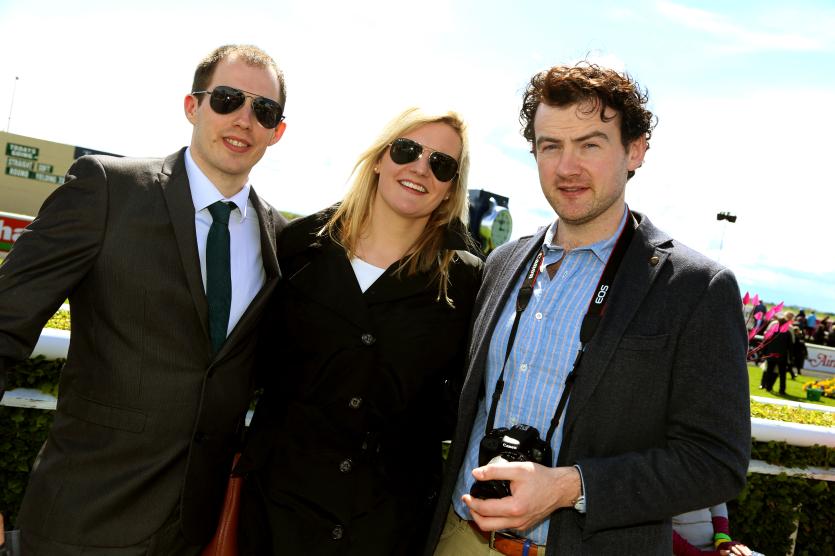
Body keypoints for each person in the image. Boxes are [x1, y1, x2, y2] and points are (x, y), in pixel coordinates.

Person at [427, 62, 750, 555]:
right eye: (550, 146)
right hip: (459, 536)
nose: (567, 167)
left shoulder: (695, 287)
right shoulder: (503, 262)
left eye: (591, 144)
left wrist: (568, 486)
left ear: (635, 150)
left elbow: (715, 462)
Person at [0, 44, 288, 555]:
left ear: (277, 131)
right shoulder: (107, 190)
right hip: (81, 518)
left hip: (193, 531)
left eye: (263, 110)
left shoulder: (280, 240)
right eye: (226, 99)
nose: (244, 119)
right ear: (192, 106)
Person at [235, 107, 483, 555]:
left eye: (441, 164)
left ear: (450, 189)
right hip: (278, 513)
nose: (420, 169)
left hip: (387, 524)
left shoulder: (466, 281)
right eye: (407, 150)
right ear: (378, 158)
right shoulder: (299, 247)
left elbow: (461, 398)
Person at [672, 504, 754, 556]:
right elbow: (664, 533)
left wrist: (727, 546)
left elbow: (721, 531)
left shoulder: (712, 480)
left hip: (713, 552)